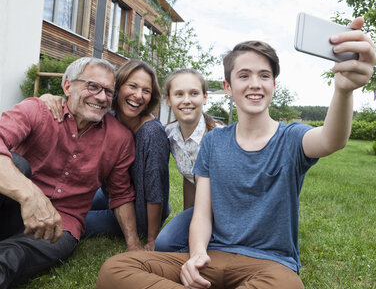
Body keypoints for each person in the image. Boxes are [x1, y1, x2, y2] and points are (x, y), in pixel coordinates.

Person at [96, 17, 376, 288]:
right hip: (211, 257)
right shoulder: (214, 141)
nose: (255, 83)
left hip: (271, 266)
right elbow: (202, 213)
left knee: (288, 285)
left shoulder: (291, 138)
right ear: (228, 87)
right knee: (116, 269)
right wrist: (196, 255)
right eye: (244, 75)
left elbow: (331, 140)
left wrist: (344, 91)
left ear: (273, 86)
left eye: (264, 75)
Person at [0, 57, 142, 288]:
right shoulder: (37, 109)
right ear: (67, 86)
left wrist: (133, 243)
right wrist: (30, 195)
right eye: (92, 86)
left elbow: (121, 193)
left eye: (108, 91)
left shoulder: (120, 138)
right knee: (18, 164)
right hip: (12, 206)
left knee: (16, 256)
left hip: (62, 223)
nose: (101, 97)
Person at [41, 60, 170, 251]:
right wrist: (49, 97)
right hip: (111, 193)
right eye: (132, 86)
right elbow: (78, 104)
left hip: (141, 209)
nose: (138, 95)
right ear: (117, 88)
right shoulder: (109, 116)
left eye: (146, 90)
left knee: (68, 219)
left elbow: (155, 190)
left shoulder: (151, 133)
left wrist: (152, 239)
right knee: (64, 201)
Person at [153, 68, 220, 252]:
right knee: (164, 244)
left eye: (194, 93)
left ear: (205, 97)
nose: (187, 100)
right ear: (168, 99)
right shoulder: (169, 134)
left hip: (227, 209)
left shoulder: (218, 136)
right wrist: (188, 217)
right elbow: (189, 178)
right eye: (179, 94)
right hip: (202, 210)